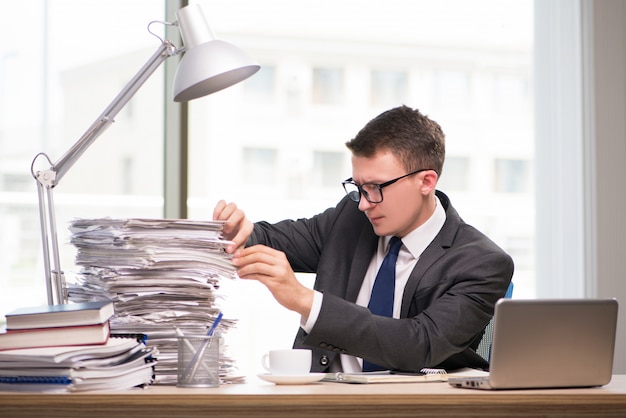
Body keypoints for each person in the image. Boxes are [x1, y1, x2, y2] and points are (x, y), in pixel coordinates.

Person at [213, 105, 514, 373]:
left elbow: (420, 344)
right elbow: (271, 240)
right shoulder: (352, 219)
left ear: (426, 181)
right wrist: (236, 232)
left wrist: (306, 301)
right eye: (358, 187)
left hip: (415, 410)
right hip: (322, 403)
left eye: (375, 187)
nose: (364, 203)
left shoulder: (483, 263)